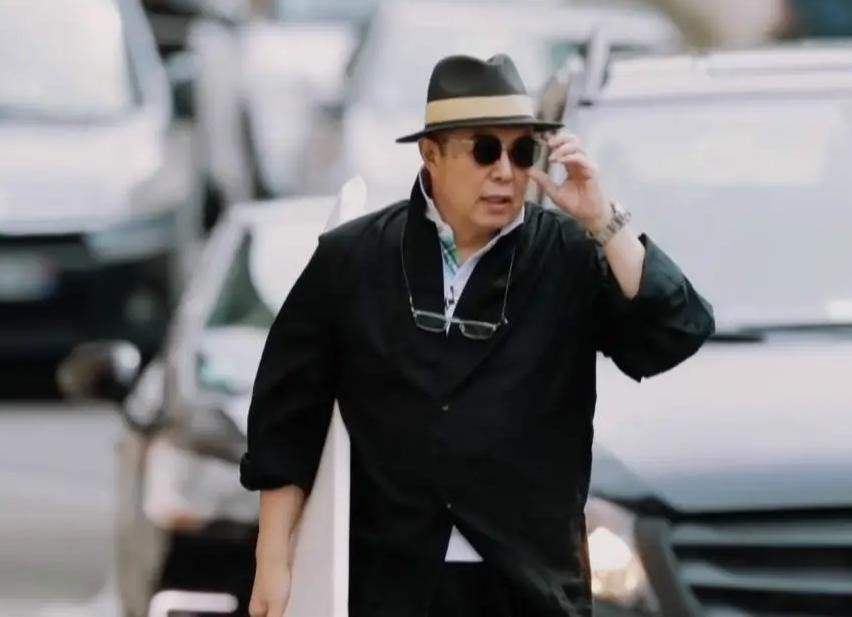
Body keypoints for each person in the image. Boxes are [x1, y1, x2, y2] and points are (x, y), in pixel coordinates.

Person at [241, 54, 714, 617]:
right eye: (485, 150)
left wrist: (603, 219)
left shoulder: (567, 254)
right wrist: (273, 559)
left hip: (526, 587)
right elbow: (287, 418)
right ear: (431, 154)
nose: (505, 172)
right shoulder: (355, 257)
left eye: (522, 152)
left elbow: (676, 330)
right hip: (388, 585)